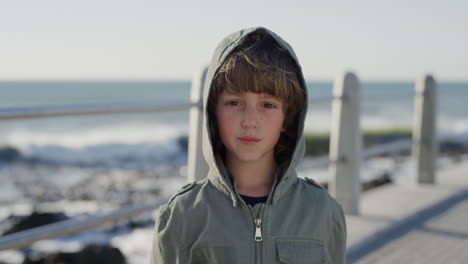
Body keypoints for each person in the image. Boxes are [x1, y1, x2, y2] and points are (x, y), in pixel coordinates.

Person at [150, 27, 347, 264]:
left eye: (268, 105)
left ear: (288, 117)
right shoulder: (182, 216)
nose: (250, 121)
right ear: (213, 113)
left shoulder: (322, 212)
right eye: (234, 102)